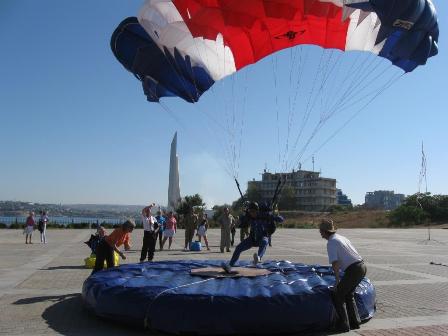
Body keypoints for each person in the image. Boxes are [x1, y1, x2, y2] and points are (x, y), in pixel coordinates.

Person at [319, 218, 367, 332]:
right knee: (349, 294)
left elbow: (335, 263)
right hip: (362, 266)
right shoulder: (341, 237)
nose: (320, 234)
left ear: (325, 232)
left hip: (354, 270)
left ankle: (344, 325)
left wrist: (336, 281)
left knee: (338, 295)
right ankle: (355, 322)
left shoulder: (331, 242)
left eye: (321, 231)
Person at [222, 202, 283, 272]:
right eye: (250, 211)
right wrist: (238, 221)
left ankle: (258, 258)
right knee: (238, 248)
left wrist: (275, 217)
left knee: (264, 242)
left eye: (253, 211)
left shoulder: (265, 216)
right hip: (252, 239)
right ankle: (230, 266)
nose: (252, 213)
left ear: (257, 211)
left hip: (262, 237)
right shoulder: (249, 216)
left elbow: (281, 219)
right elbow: (240, 221)